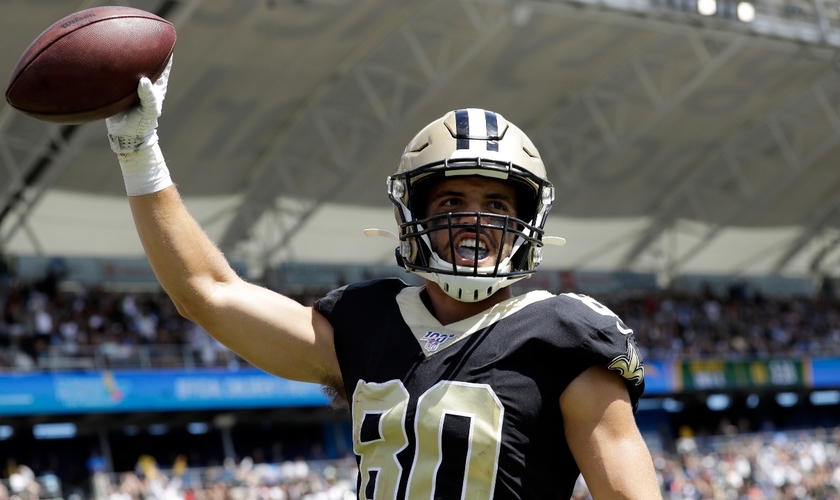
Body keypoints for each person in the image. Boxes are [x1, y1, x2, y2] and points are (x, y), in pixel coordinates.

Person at [103, 58, 662, 499]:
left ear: (524, 224)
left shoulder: (562, 336)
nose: (474, 220)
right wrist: (139, 150)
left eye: (496, 203)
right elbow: (207, 292)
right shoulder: (369, 322)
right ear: (414, 214)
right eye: (452, 200)